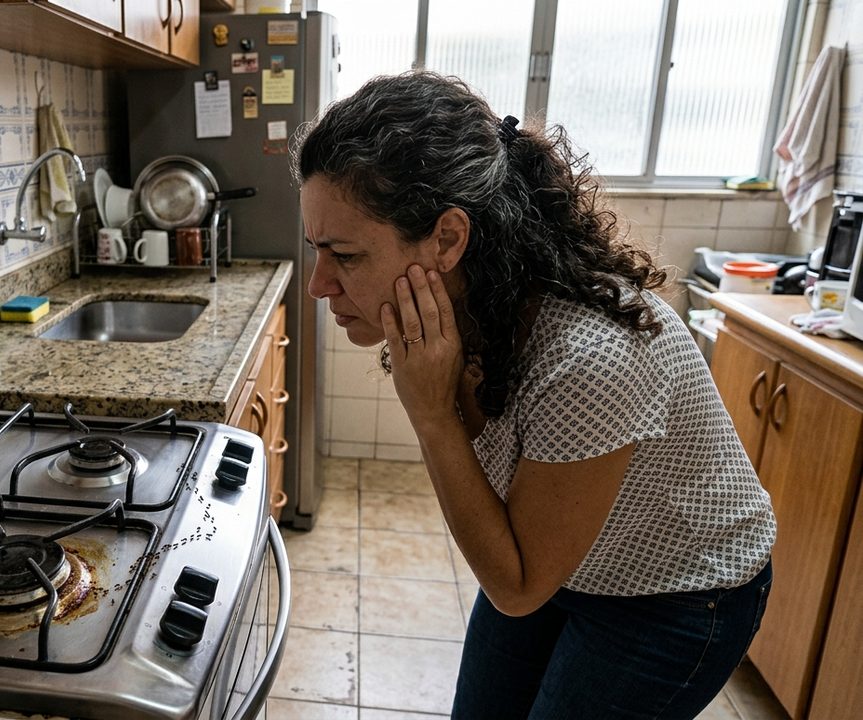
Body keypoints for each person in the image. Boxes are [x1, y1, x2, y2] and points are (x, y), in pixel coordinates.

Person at [293, 72, 776, 719]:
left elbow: (518, 585)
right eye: (315, 249)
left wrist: (432, 414)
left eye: (344, 254)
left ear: (446, 239)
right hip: (566, 561)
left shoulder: (588, 357)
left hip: (679, 593)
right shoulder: (462, 309)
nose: (319, 285)